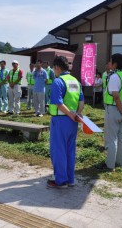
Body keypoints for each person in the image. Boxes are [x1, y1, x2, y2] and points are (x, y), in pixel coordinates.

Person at [47, 56, 84, 188]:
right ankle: (70, 179)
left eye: (53, 69)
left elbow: (58, 102)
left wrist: (69, 114)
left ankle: (61, 181)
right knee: (70, 150)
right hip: (73, 121)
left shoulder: (58, 81)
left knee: (58, 150)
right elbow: (81, 102)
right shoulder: (76, 82)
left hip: (60, 120)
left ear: (57, 68)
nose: (54, 71)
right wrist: (76, 114)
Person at [101, 53, 122, 172]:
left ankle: (110, 165)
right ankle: (121, 162)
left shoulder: (114, 77)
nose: (109, 64)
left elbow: (116, 96)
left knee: (111, 138)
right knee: (121, 137)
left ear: (115, 64)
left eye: (111, 61)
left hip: (114, 109)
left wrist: (121, 110)